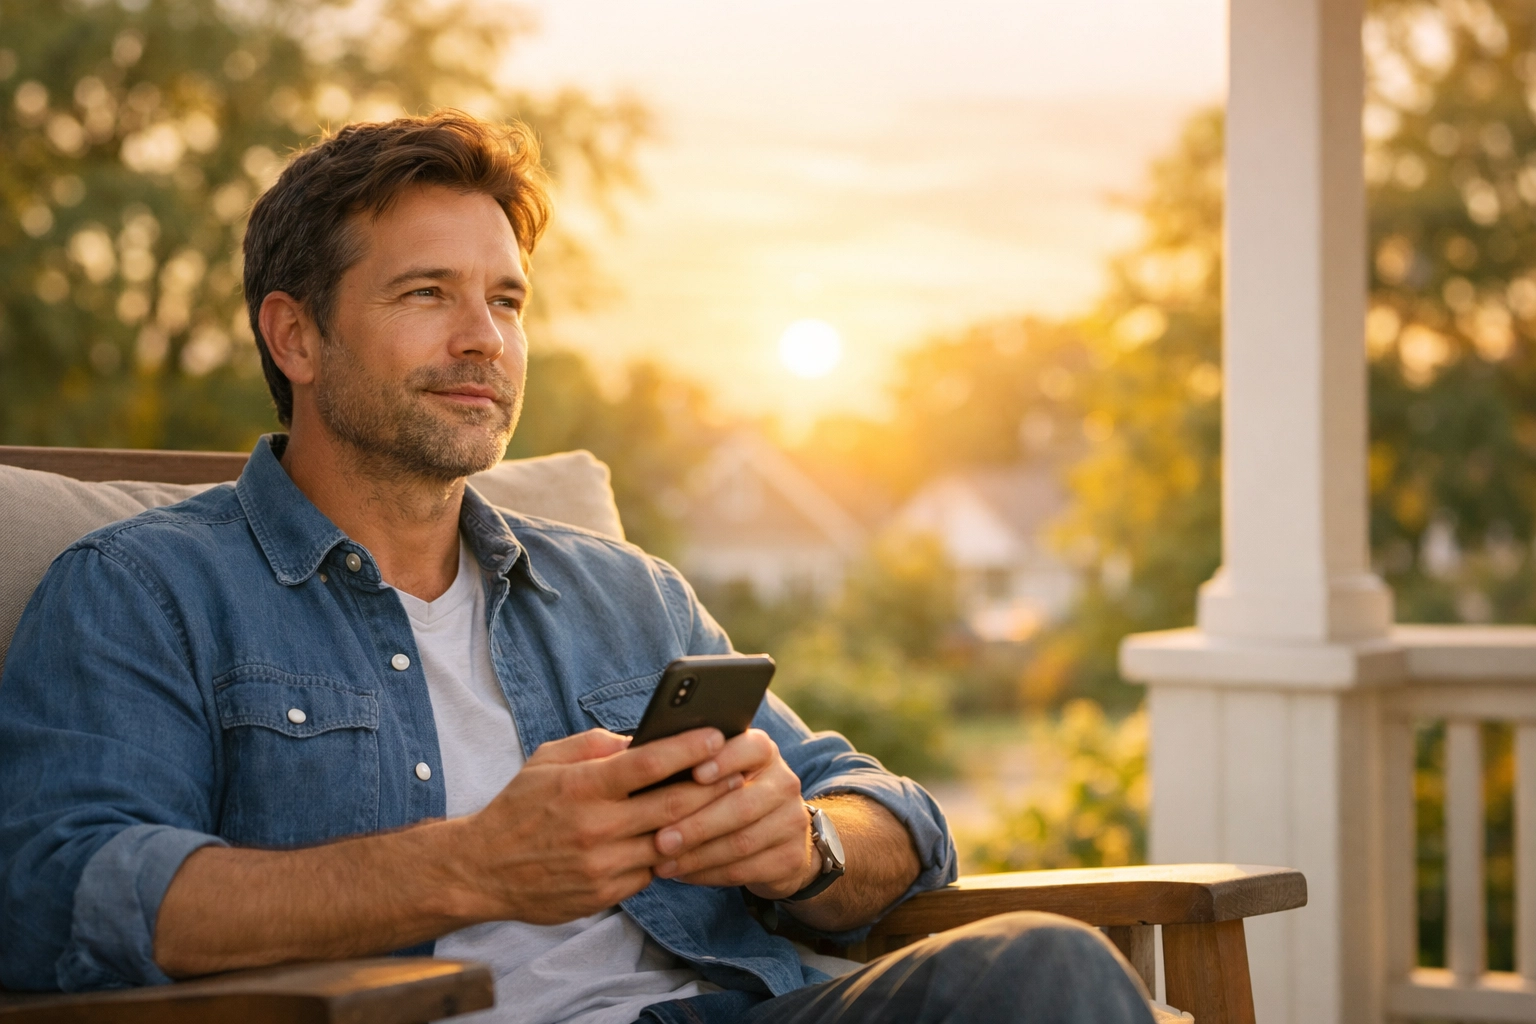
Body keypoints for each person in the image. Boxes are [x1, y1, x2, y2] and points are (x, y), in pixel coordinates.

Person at [0, 113, 1155, 1024]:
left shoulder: (622, 591)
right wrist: (469, 867)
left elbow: (893, 813)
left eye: (506, 300)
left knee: (1043, 967)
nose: (483, 339)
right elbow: (59, 889)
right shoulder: (145, 592)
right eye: (427, 294)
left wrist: (805, 845)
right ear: (294, 336)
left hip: (718, 1011)